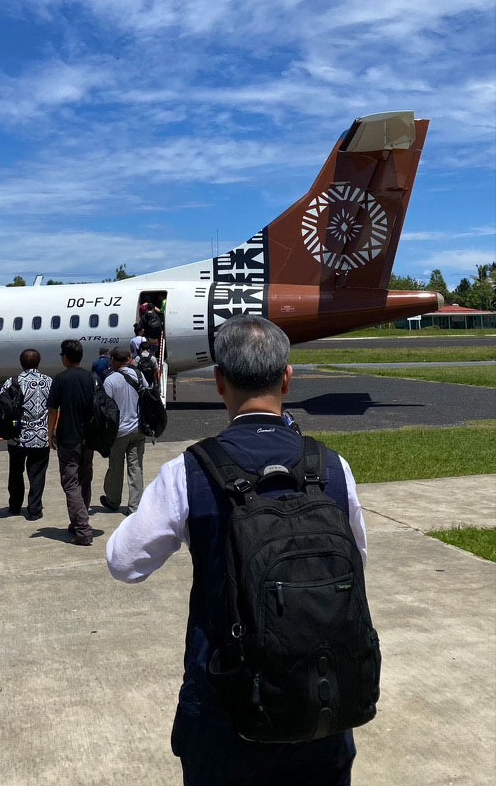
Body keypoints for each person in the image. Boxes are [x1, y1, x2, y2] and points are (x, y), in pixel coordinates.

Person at [106, 316, 367, 786]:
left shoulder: (190, 471)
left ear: (219, 379)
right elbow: (357, 562)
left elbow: (124, 564)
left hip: (226, 708)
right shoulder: (333, 466)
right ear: (287, 377)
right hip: (322, 701)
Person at [48, 339, 96, 546]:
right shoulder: (89, 378)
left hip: (69, 437)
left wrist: (50, 433)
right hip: (88, 437)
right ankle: (78, 520)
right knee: (84, 479)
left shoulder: (60, 379)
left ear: (66, 357)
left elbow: (52, 410)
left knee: (70, 482)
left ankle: (83, 528)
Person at [100, 346, 149, 516]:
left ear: (114, 360)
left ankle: (113, 500)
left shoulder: (110, 380)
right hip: (138, 428)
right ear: (128, 359)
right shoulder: (140, 375)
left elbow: (106, 407)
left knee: (115, 466)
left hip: (119, 431)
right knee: (136, 468)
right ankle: (135, 506)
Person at [4, 348, 52, 522]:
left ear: (21, 363)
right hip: (41, 436)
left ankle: (15, 505)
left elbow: (2, 405)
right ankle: (34, 509)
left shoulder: (13, 381)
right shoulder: (49, 381)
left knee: (16, 472)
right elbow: (54, 408)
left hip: (17, 436)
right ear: (38, 363)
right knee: (37, 474)